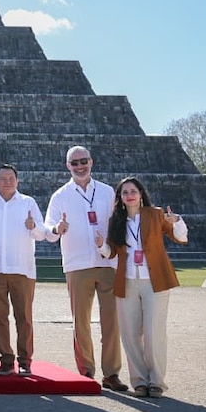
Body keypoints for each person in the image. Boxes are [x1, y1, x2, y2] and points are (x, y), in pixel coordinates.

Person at [44, 145, 129, 392]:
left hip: (107, 263)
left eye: (83, 161)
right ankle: (86, 371)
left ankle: (111, 373)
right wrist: (57, 229)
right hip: (77, 264)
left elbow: (120, 224)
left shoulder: (107, 192)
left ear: (91, 162)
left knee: (111, 322)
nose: (79, 166)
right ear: (67, 166)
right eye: (74, 163)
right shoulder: (60, 196)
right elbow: (49, 231)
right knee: (80, 321)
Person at [103, 176, 187, 399]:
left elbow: (179, 238)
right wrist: (101, 246)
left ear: (141, 194)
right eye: (124, 192)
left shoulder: (156, 214)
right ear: (120, 198)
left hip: (154, 280)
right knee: (130, 334)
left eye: (133, 191)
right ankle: (139, 381)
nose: (129, 195)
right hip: (127, 281)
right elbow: (111, 251)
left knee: (153, 333)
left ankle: (157, 381)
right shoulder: (116, 220)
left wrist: (176, 220)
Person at [0, 164, 47, 377]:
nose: (7, 182)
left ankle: (25, 360)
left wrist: (33, 227)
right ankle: (6, 359)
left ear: (18, 180)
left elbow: (42, 234)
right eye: (2, 178)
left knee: (24, 318)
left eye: (11, 178)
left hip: (22, 270)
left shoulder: (28, 203)